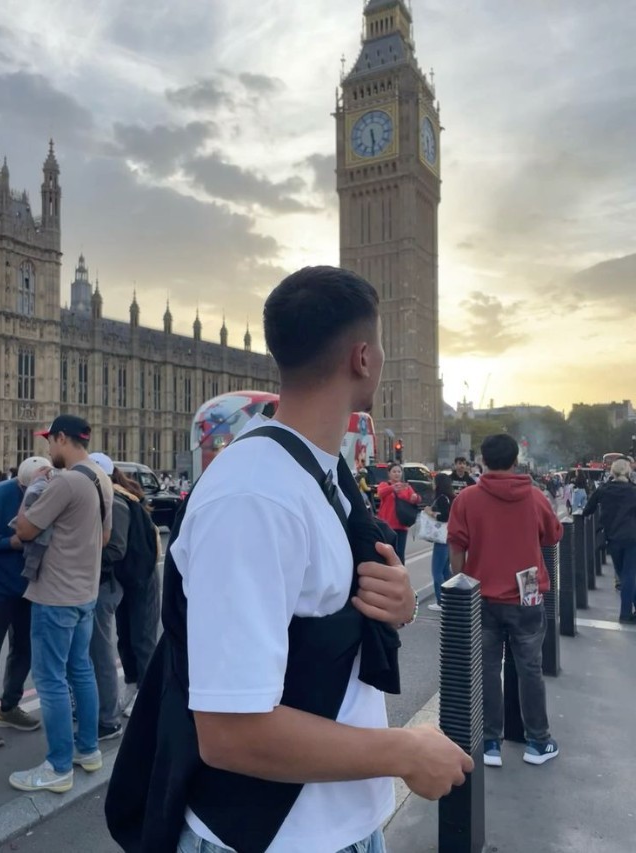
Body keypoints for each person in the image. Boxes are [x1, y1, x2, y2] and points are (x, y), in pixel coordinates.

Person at [109, 267, 472, 853]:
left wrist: (397, 606)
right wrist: (406, 751)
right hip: (271, 839)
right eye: (380, 344)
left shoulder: (320, 470)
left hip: (339, 824)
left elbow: (319, 623)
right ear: (363, 358)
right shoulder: (253, 496)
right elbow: (232, 734)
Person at [9, 415, 113, 793]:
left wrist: (35, 488)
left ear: (63, 438)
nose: (48, 448)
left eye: (50, 441)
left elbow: (24, 529)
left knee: (51, 681)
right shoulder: (100, 478)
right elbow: (104, 537)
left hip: (55, 596)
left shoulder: (66, 481)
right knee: (80, 671)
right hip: (85, 593)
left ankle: (58, 767)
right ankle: (88, 750)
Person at [448, 433, 563, 768]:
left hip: (482, 596)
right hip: (527, 596)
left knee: (486, 670)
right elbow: (553, 535)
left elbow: (456, 547)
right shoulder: (535, 497)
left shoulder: (467, 498)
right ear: (516, 460)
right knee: (530, 669)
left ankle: (490, 742)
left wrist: (464, 581)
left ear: (482, 461)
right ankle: (538, 741)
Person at [0, 458, 46, 749]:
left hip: (30, 588)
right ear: (20, 483)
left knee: (24, 650)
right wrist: (9, 542)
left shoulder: (49, 492)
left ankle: (10, 707)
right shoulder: (0, 494)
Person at [111, 467, 160, 718]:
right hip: (127, 576)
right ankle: (132, 682)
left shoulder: (119, 500)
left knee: (142, 637)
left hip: (142, 575)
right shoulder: (120, 497)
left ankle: (147, 692)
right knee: (125, 635)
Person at [88, 452, 131, 741]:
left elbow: (116, 550)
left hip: (105, 587)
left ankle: (109, 720)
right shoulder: (102, 500)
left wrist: (81, 556)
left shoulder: (115, 503)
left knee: (100, 654)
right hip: (95, 585)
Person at [583, 458, 636, 623]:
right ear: (628, 472)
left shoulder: (604, 489)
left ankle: (627, 611)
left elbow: (587, 509)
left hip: (612, 537)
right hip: (632, 537)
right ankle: (625, 614)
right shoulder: (633, 491)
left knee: (623, 574)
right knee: (629, 575)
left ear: (612, 472)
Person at [376, 463, 420, 564]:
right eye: (394, 471)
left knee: (400, 554)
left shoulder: (406, 487)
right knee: (387, 553)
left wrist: (415, 498)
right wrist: (392, 488)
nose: (397, 474)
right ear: (389, 473)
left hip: (401, 525)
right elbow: (380, 493)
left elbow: (416, 499)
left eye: (399, 472)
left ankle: (400, 571)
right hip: (387, 525)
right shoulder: (384, 485)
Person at [424, 472, 454, 612]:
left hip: (441, 539)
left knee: (437, 571)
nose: (432, 484)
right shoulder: (450, 497)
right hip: (449, 538)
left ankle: (441, 601)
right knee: (445, 570)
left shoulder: (442, 498)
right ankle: (450, 599)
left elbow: (444, 517)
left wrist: (430, 513)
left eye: (434, 481)